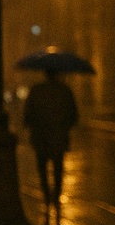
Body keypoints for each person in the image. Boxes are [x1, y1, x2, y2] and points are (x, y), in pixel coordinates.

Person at [23, 69, 79, 207]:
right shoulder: (65, 91)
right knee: (58, 168)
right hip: (59, 137)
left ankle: (47, 197)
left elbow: (28, 114)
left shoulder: (36, 90)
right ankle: (56, 196)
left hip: (41, 138)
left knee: (42, 169)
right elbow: (74, 115)